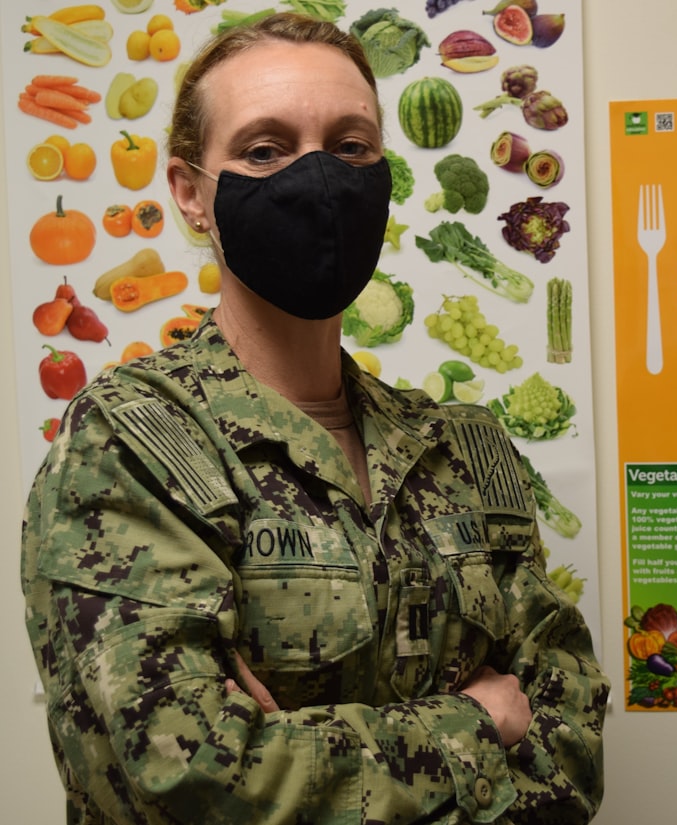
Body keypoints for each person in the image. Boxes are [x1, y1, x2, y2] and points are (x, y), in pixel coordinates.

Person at [21, 13, 608, 824]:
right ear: (191, 193)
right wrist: (476, 722)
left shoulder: (465, 447)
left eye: (351, 145)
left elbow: (571, 744)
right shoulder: (129, 447)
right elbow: (178, 782)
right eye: (264, 150)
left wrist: (293, 744)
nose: (321, 178)